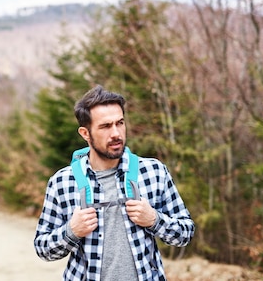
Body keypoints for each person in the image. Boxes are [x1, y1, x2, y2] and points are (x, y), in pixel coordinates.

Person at [34, 85, 195, 281]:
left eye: (120, 123)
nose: (116, 133)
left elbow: (185, 233)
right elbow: (43, 248)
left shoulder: (154, 172)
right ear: (85, 133)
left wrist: (154, 219)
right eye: (105, 126)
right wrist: (71, 231)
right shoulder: (62, 182)